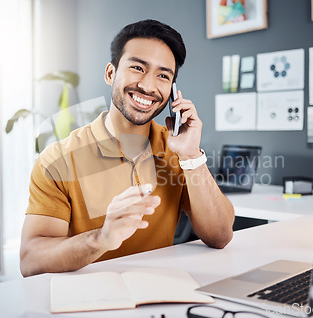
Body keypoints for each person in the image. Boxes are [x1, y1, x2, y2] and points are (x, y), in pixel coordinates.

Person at [20, 19, 235, 276]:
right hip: (86, 300)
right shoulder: (58, 160)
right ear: (111, 73)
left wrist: (191, 156)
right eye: (137, 68)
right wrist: (101, 238)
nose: (148, 86)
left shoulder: (177, 151)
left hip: (159, 296)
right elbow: (31, 260)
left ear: (172, 90)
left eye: (163, 76)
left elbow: (221, 235)